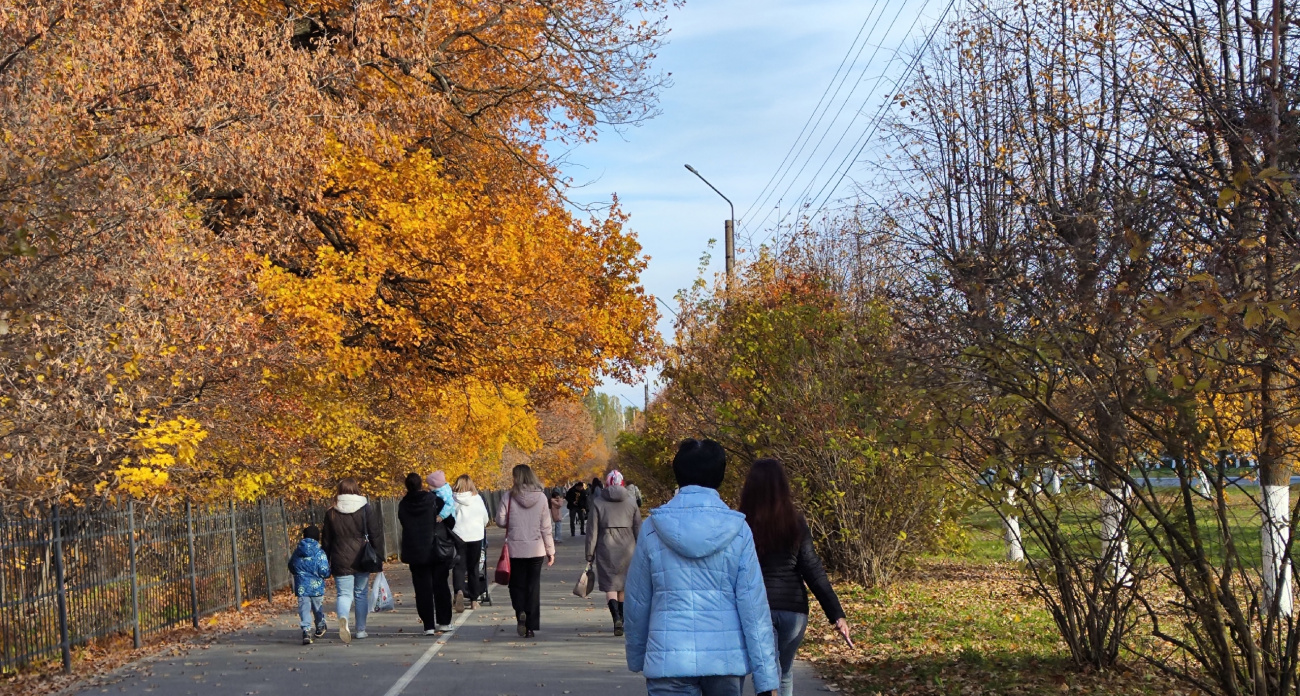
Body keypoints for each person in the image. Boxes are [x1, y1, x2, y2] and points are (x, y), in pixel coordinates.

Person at [624, 439, 779, 696]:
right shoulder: (738, 530)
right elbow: (754, 607)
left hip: (668, 659)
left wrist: (638, 655)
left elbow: (637, 600)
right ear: (720, 475)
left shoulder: (653, 528)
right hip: (725, 661)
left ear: (678, 474)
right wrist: (766, 680)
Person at [739, 458, 854, 696]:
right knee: (784, 671)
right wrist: (837, 614)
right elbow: (813, 570)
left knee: (763, 673)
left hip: (758, 608)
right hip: (794, 613)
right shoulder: (796, 523)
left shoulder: (741, 523)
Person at [321, 478, 384, 643]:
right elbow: (375, 533)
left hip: (340, 557)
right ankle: (361, 630)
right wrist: (378, 554)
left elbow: (326, 540)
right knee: (361, 594)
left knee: (343, 594)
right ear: (356, 490)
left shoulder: (331, 513)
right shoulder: (365, 509)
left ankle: (343, 619)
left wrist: (325, 559)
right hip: (362, 556)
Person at [495, 464, 555, 638]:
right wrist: (550, 551)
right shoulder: (542, 498)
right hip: (536, 549)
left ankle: (520, 611)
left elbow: (500, 520)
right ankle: (530, 625)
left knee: (516, 585)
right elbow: (546, 527)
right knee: (532, 586)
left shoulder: (508, 497)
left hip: (515, 549)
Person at [398, 472, 456, 634]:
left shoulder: (404, 504)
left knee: (422, 588)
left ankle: (428, 625)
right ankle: (444, 621)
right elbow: (450, 521)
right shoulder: (434, 501)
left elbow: (403, 522)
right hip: (436, 549)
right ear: (421, 484)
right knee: (441, 585)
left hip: (415, 551)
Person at [587, 469, 641, 636]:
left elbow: (592, 531)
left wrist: (589, 554)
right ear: (622, 483)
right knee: (623, 584)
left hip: (606, 546)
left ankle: (616, 618)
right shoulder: (631, 501)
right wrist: (641, 549)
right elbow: (638, 526)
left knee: (610, 584)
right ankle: (622, 619)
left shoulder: (598, 502)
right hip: (628, 547)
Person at [452, 474, 491, 610]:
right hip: (475, 536)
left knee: (459, 567)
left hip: (458, 536)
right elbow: (485, 518)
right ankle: (474, 600)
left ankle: (459, 592)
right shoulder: (477, 499)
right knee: (473, 568)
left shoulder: (453, 499)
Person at [288, 524, 330, 645]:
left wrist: (299, 573)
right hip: (316, 586)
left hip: (302, 585)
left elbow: (292, 565)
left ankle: (306, 630)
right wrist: (325, 574)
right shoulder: (320, 552)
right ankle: (320, 624)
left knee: (304, 608)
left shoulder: (298, 551)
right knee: (317, 607)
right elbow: (324, 570)